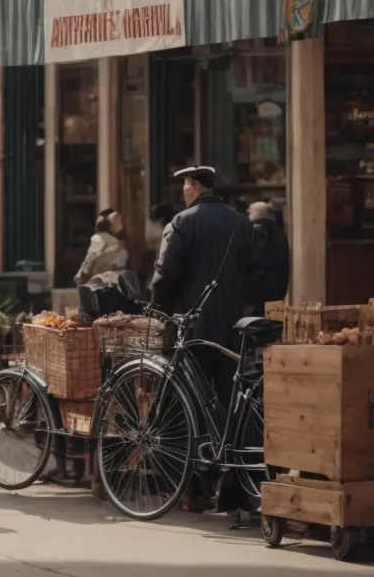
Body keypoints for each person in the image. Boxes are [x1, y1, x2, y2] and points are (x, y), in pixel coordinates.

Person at [151, 166, 251, 404]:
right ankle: (229, 440)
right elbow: (252, 270)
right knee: (230, 393)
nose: (183, 192)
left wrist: (158, 304)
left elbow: (166, 271)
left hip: (194, 324)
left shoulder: (182, 222)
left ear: (195, 185)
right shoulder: (241, 222)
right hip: (232, 324)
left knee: (194, 394)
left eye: (185, 185)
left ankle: (200, 440)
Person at [246, 201, 292, 314]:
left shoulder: (246, 233)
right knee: (274, 328)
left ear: (252, 214)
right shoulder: (281, 234)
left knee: (252, 328)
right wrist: (282, 293)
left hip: (252, 297)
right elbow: (285, 267)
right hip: (275, 294)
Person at [74, 209, 130, 285]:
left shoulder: (117, 244)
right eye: (116, 218)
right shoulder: (102, 239)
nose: (120, 220)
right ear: (109, 223)